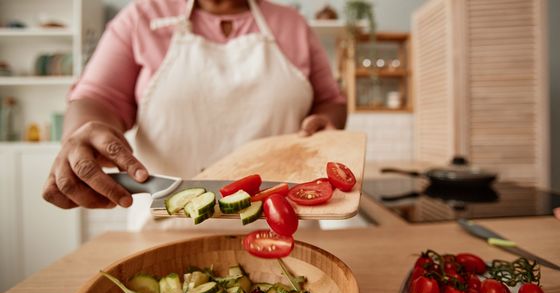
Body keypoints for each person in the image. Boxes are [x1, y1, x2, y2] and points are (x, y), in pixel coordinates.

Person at [42, 0, 346, 228]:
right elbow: (97, 99)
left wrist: (327, 122)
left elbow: (331, 101)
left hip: (286, 229)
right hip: (167, 231)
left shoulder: (292, 24)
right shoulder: (141, 18)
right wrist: (83, 132)